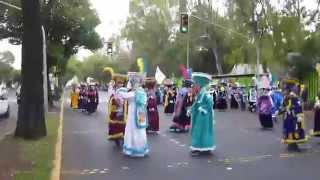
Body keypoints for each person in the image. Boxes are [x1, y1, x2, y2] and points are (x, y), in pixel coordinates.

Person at [120, 72, 149, 157]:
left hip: (133, 113)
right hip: (141, 113)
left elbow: (123, 95)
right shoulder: (142, 92)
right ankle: (142, 148)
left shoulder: (133, 93)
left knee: (132, 129)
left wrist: (121, 89)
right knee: (140, 130)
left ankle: (132, 148)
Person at [190, 72, 215, 156]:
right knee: (199, 131)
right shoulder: (200, 94)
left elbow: (210, 102)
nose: (194, 86)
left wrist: (203, 108)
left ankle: (202, 148)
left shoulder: (205, 93)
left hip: (204, 116)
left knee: (203, 131)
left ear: (199, 85)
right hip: (199, 116)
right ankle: (200, 147)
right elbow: (196, 103)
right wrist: (191, 110)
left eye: (195, 84)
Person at [107, 74, 128, 147]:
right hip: (116, 110)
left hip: (124, 110)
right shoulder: (113, 90)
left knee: (124, 125)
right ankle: (117, 138)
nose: (120, 84)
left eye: (122, 83)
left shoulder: (126, 90)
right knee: (116, 125)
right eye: (119, 82)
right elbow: (111, 97)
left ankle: (124, 138)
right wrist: (115, 99)